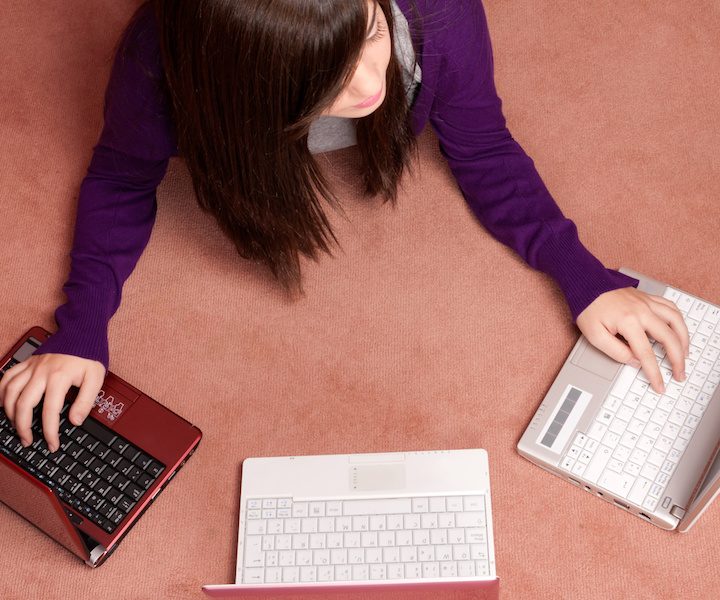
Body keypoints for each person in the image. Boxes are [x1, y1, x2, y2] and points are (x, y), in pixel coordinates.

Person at [0, 0, 689, 453]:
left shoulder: (437, 13)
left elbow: (483, 148)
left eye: (372, 35)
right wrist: (81, 329)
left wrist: (585, 275)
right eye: (325, 76)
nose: (369, 84)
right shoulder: (158, 68)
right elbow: (121, 179)